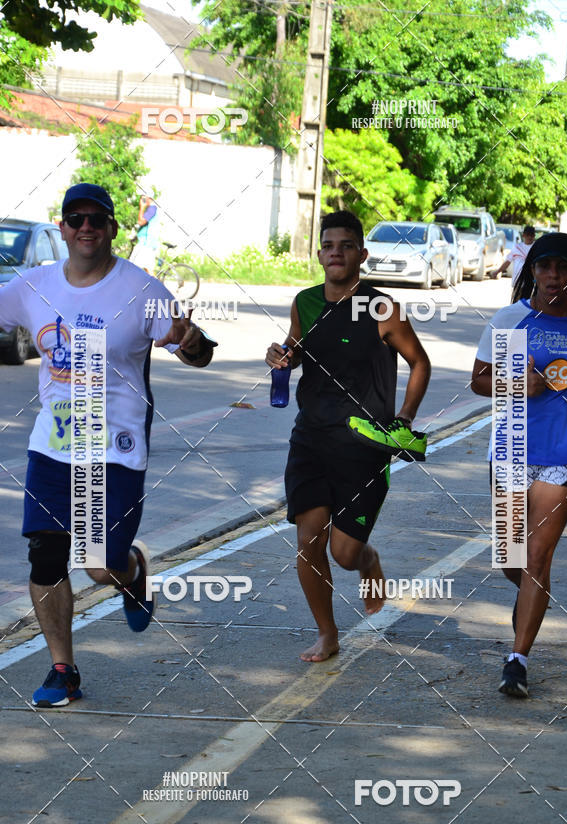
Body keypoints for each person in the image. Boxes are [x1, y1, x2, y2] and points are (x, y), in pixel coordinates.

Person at [0, 183, 214, 707]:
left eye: (97, 218)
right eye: (76, 218)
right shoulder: (32, 286)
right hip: (52, 445)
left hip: (114, 448)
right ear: (62, 227)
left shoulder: (142, 290)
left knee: (100, 564)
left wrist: (192, 342)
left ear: (114, 227)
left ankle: (132, 572)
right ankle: (62, 670)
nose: (86, 227)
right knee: (46, 557)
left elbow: (199, 352)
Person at [266, 210, 431, 663]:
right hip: (311, 439)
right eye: (328, 245)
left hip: (364, 446)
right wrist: (280, 356)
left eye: (345, 245)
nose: (335, 252)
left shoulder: (382, 308)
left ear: (361, 253)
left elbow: (420, 362)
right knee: (308, 540)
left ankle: (368, 561)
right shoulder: (305, 302)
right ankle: (327, 633)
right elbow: (295, 349)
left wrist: (404, 419)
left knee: (343, 552)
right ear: (319, 254)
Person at [472, 232, 567, 697]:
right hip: (511, 448)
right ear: (533, 272)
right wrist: (518, 382)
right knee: (514, 558)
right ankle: (531, 592)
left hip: (566, 453)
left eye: (563, 267)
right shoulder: (512, 319)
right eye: (544, 266)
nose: (553, 276)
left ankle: (517, 659)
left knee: (539, 557)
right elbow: (479, 382)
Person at [130, 195, 160, 274]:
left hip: (146, 244)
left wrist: (142, 207)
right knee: (147, 270)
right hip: (148, 243)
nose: (141, 200)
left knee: (131, 267)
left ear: (148, 198)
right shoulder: (152, 209)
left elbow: (141, 221)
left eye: (143, 198)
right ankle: (155, 286)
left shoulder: (152, 209)